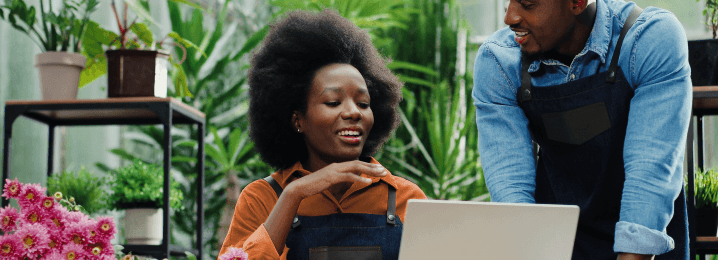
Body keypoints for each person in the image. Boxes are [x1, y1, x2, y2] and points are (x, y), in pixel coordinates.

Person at [472, 0, 692, 259]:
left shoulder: (648, 38)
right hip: (556, 239)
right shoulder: (498, 61)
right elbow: (512, 189)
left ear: (576, 3)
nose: (510, 17)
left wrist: (634, 254)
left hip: (646, 234)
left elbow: (650, 169)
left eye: (528, 4)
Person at [218, 10, 427, 260]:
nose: (353, 112)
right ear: (298, 119)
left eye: (363, 103)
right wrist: (293, 194)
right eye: (332, 102)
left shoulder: (406, 198)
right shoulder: (262, 198)